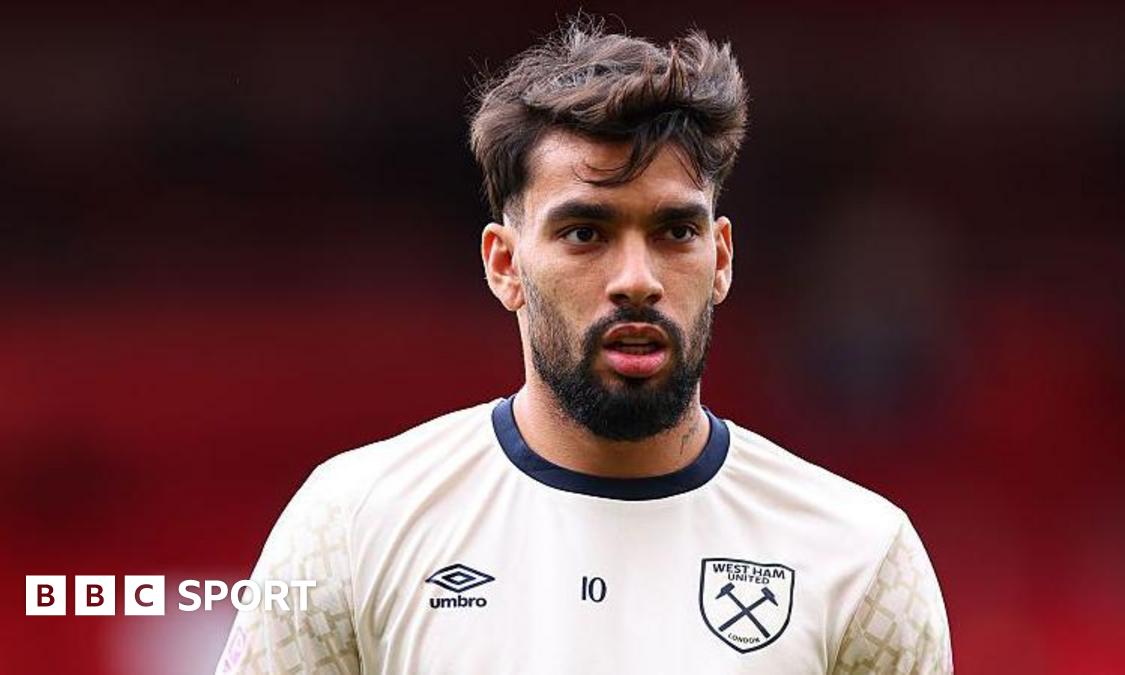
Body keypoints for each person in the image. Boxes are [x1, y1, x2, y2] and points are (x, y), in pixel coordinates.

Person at [216, 17, 952, 674]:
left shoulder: (858, 556)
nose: (637, 280)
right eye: (585, 233)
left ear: (721, 258)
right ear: (505, 265)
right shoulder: (353, 525)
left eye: (674, 232)